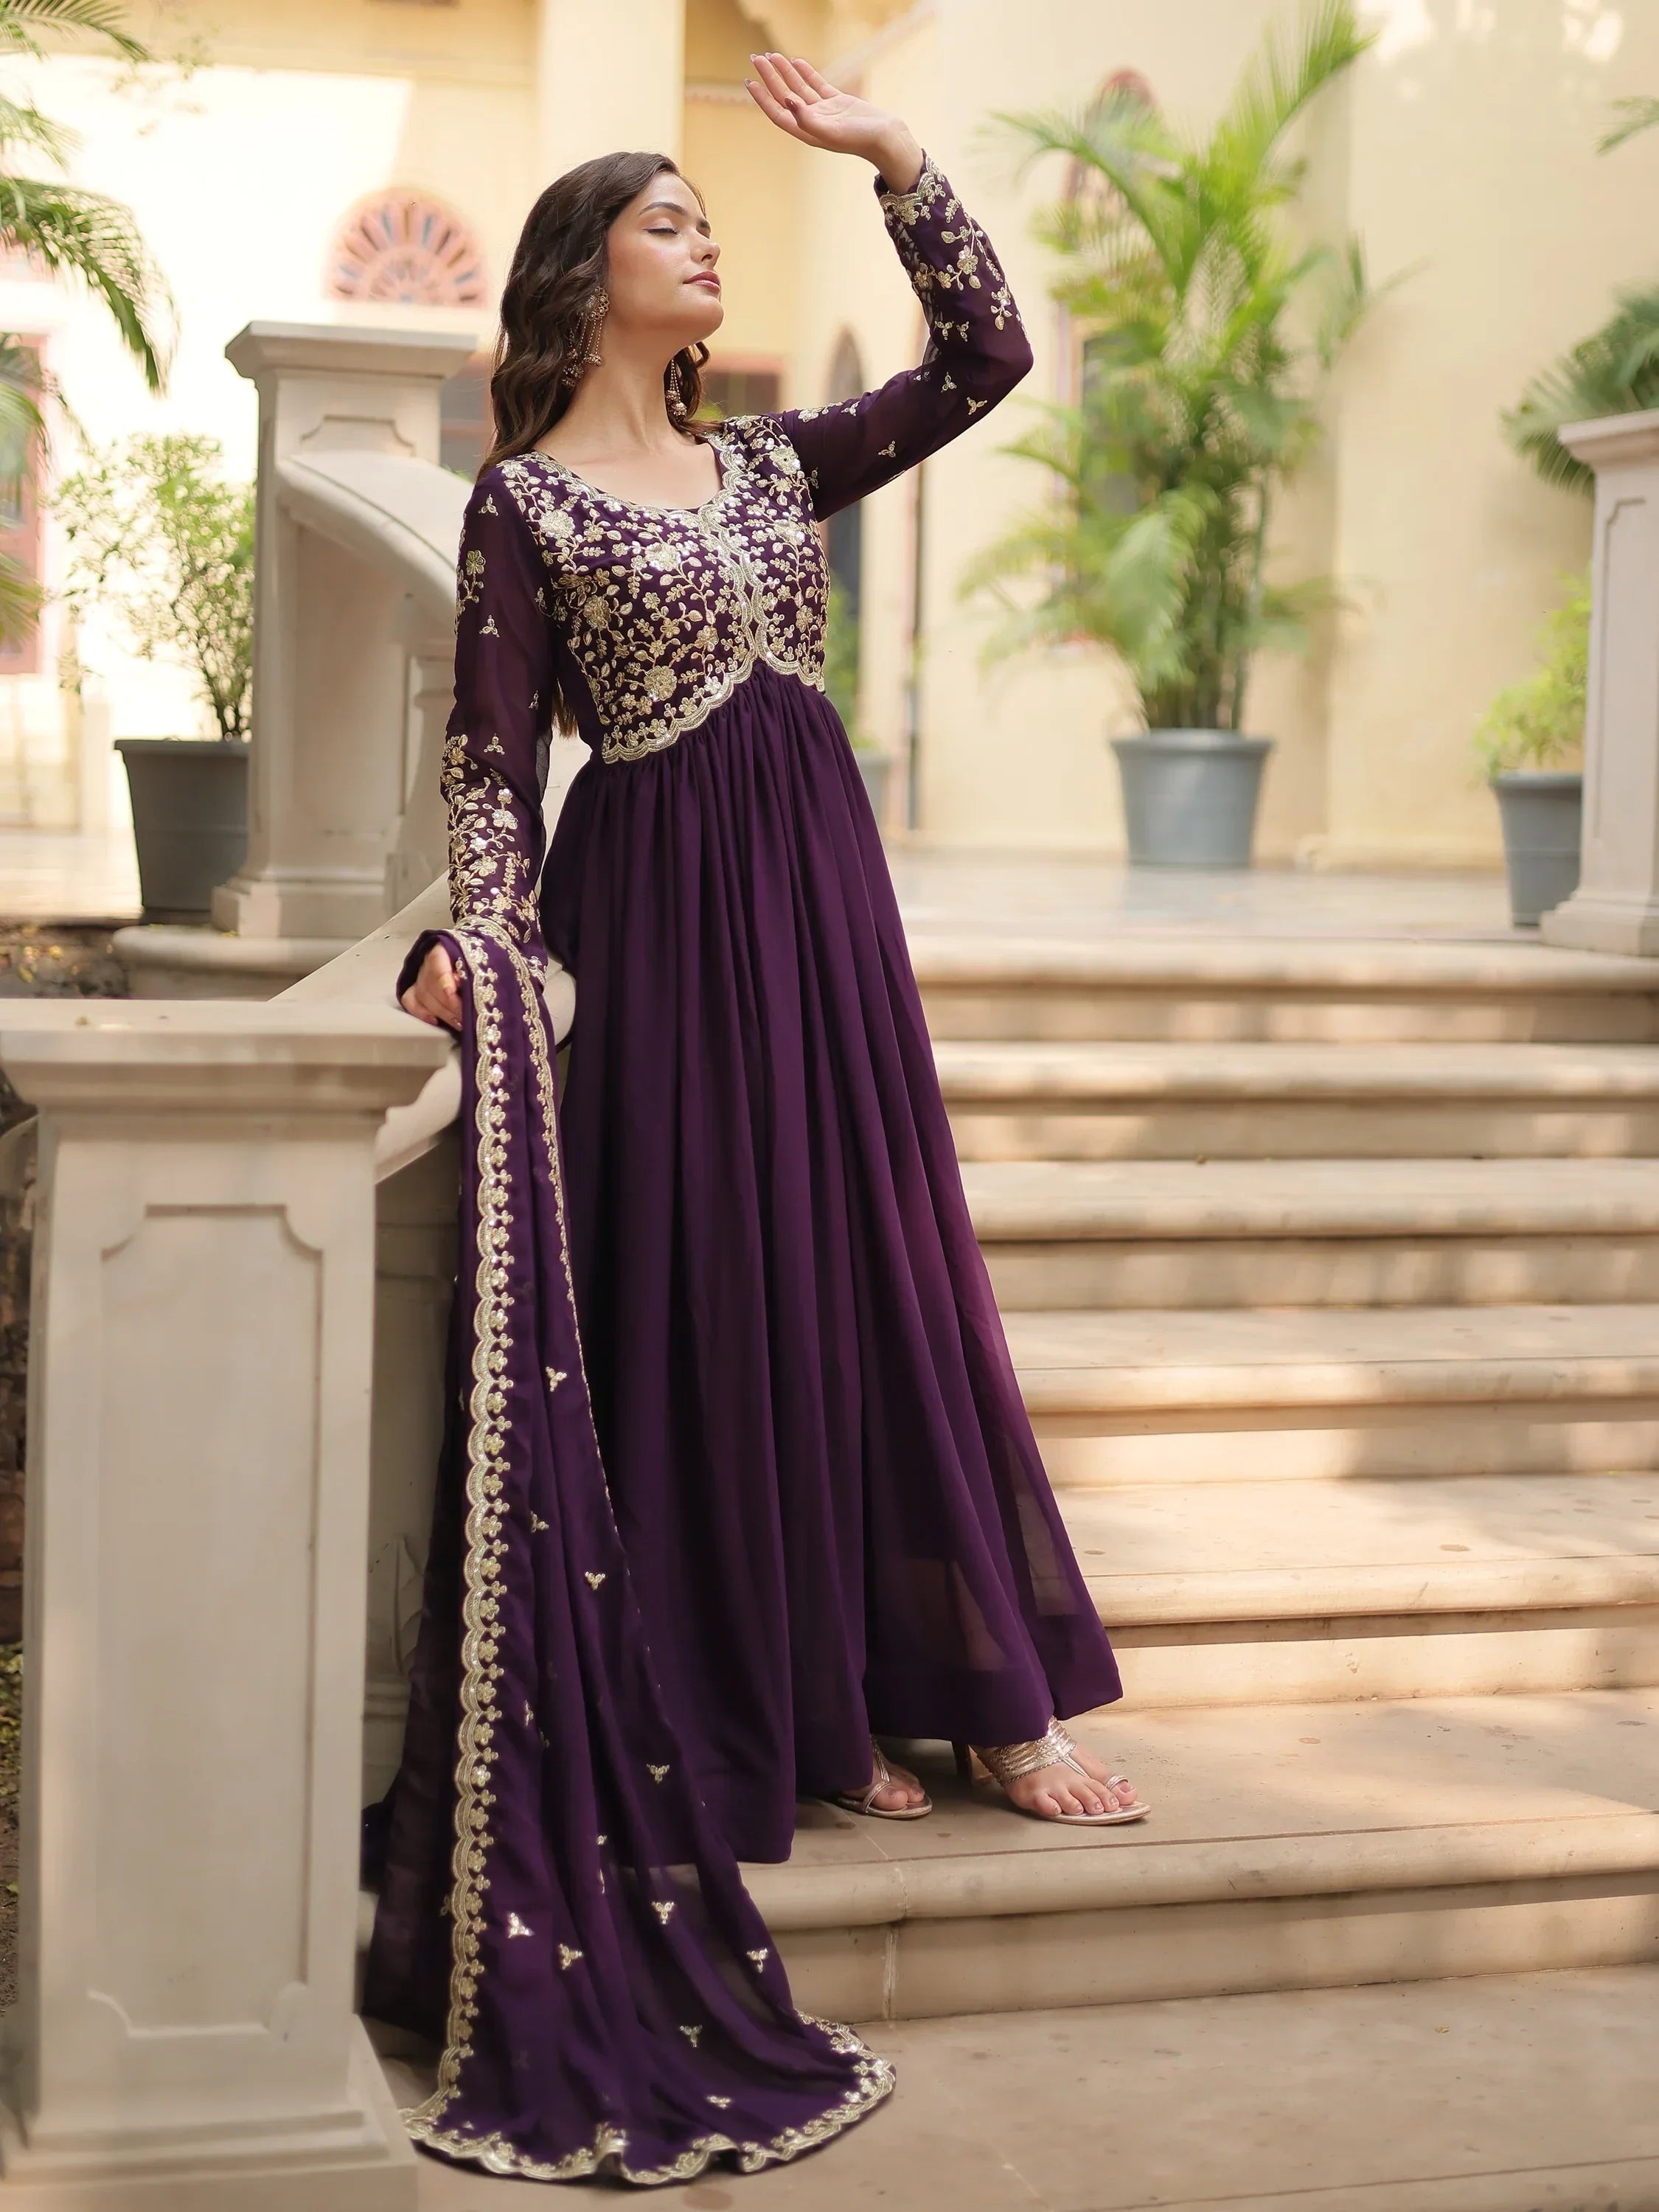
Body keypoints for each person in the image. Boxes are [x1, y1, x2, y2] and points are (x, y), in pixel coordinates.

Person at [370, 52, 1144, 2181]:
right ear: (583, 280)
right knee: (722, 1301)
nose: (705, 242)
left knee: (872, 1277)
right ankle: (800, 1716)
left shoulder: (781, 467)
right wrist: (487, 954)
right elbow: (489, 767)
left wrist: (899, 163)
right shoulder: (520, 506)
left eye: (713, 225)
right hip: (657, 922)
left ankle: (979, 1692)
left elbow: (985, 354)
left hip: (817, 914)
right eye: (669, 222)